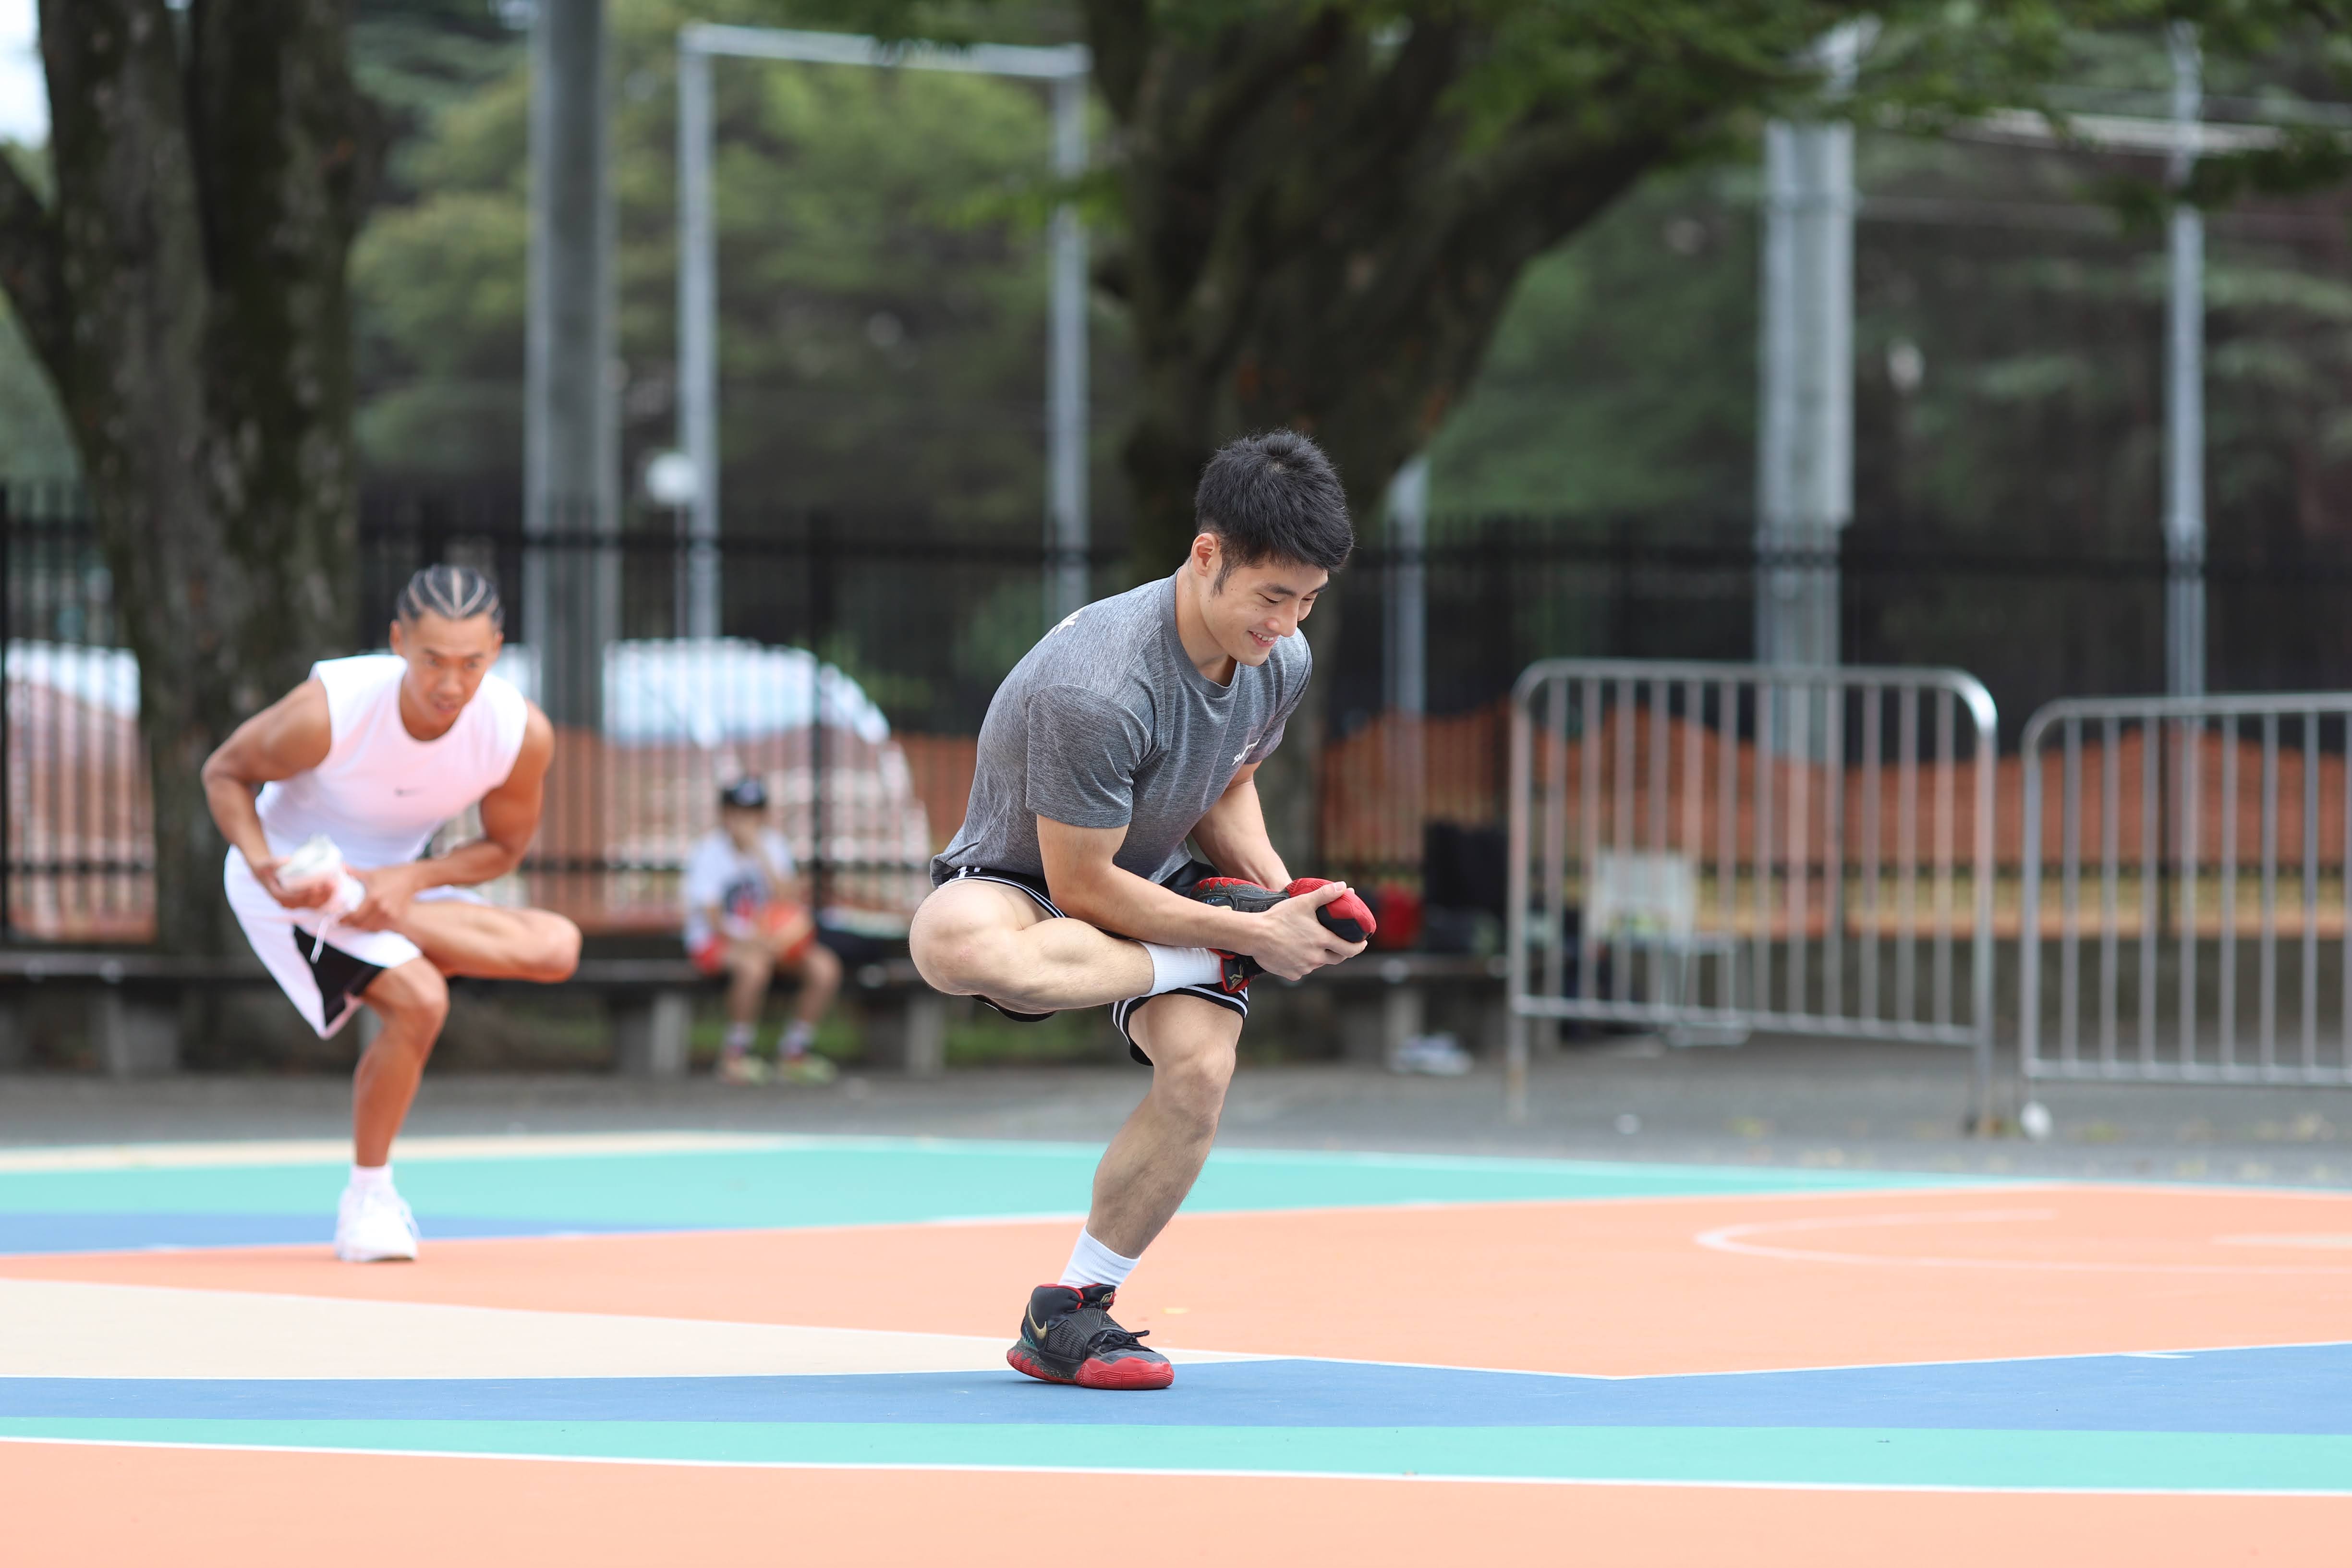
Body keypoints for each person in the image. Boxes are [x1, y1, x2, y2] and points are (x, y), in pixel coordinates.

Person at [911, 430, 1374, 1391]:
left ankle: (1071, 1312)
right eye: (1271, 596)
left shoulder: (1277, 660)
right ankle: (1203, 964)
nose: (1286, 624)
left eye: (1307, 601)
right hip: (1034, 884)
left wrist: (1284, 891)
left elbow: (1224, 779)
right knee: (949, 941)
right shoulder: (1098, 685)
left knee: (1200, 1072)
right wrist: (1246, 937)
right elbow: (1078, 887)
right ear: (1206, 555)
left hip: (1162, 883)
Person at [202, 565, 582, 1263]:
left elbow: (501, 847)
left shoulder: (518, 732)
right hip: (290, 881)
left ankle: (366, 902)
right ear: (398, 641)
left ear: (496, 651)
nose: (449, 684)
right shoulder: (333, 710)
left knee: (557, 948)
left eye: (470, 664)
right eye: (432, 660)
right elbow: (225, 772)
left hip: (395, 884)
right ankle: (367, 1200)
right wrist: (267, 866)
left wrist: (406, 880)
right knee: (421, 1000)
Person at [682, 775, 842, 1085]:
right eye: (738, 812)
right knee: (754, 967)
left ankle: (794, 1052)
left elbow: (788, 900)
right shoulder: (708, 852)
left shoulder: (772, 845)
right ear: (724, 814)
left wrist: (759, 851)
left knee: (824, 967)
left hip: (770, 943)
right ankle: (735, 1054)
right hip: (717, 942)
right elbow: (714, 920)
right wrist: (756, 941)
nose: (745, 821)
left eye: (754, 813)